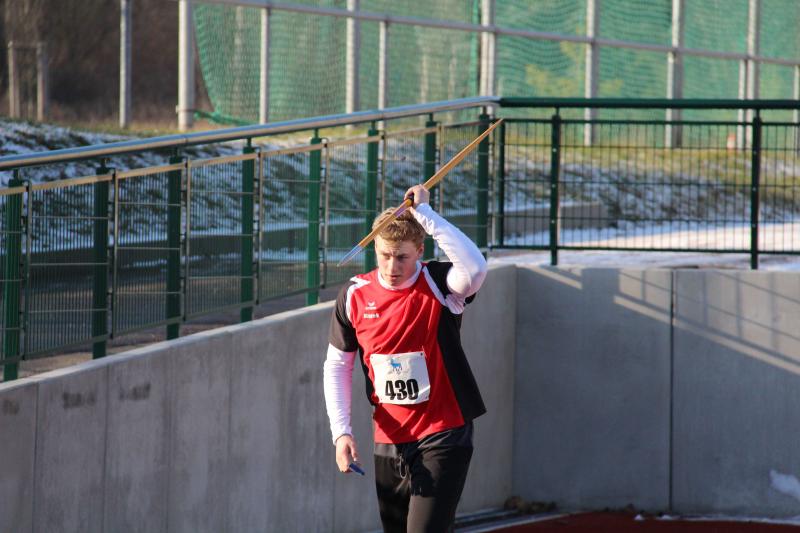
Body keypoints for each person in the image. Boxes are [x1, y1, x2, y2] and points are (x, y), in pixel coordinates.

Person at [323, 184, 488, 533]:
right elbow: (337, 366)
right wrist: (341, 433)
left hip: (444, 432)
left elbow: (475, 269)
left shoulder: (440, 283)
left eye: (402, 257)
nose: (392, 266)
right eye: (384, 255)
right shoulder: (353, 295)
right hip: (390, 436)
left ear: (420, 251)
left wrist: (425, 215)